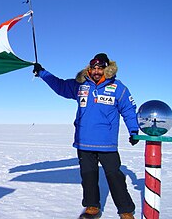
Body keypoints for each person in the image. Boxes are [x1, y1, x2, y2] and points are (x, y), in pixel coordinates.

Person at [33, 53, 139, 219]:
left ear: (107, 69)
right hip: (84, 142)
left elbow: (128, 110)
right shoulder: (80, 85)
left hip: (107, 143)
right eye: (94, 68)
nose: (96, 71)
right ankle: (92, 207)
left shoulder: (118, 88)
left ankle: (126, 210)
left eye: (100, 68)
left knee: (114, 175)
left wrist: (134, 130)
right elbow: (60, 86)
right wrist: (43, 73)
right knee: (88, 176)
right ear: (89, 69)